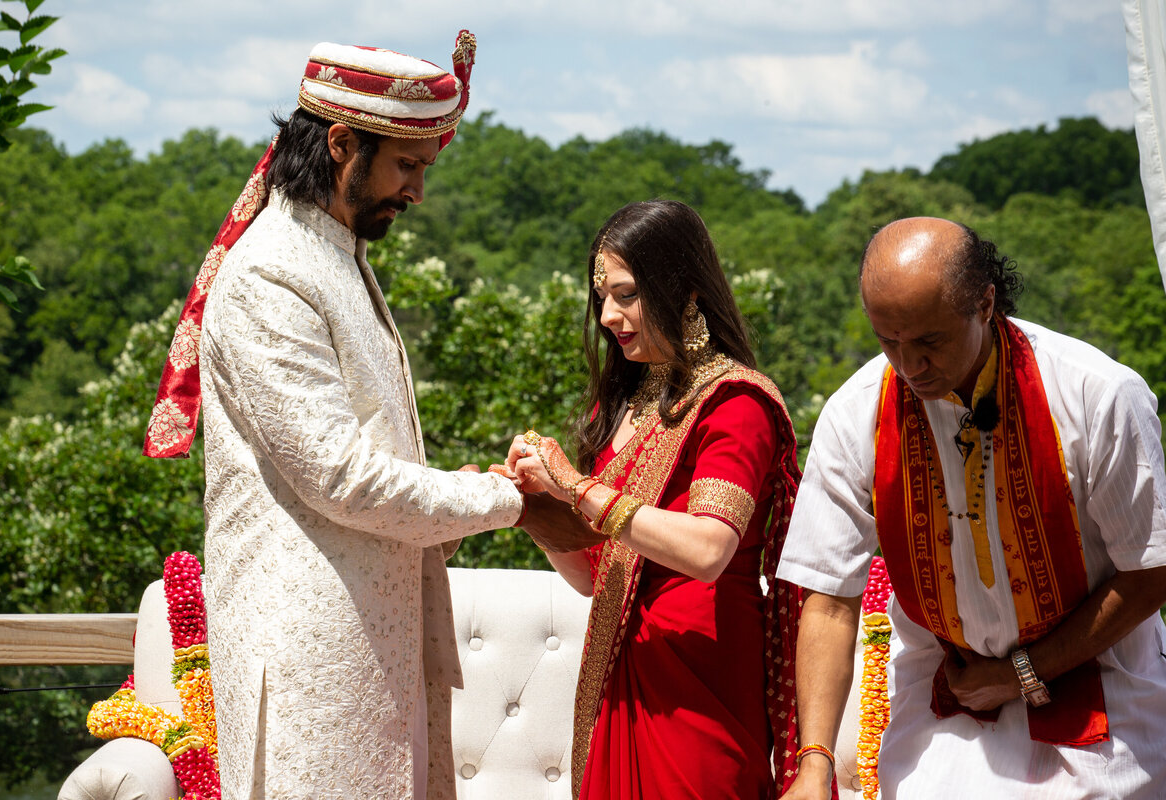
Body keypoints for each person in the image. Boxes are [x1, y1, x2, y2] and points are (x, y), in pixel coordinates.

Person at [142, 34, 526, 800]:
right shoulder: (272, 273)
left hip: (364, 654)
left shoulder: (333, 255)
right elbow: (339, 477)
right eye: (407, 165)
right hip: (306, 660)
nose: (417, 191)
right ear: (343, 144)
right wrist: (506, 497)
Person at [777, 217, 1166, 799]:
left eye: (929, 342)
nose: (908, 367)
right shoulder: (856, 411)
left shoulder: (1097, 393)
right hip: (942, 707)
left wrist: (1019, 675)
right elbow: (830, 598)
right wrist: (812, 768)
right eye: (888, 341)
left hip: (1103, 695)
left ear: (986, 303)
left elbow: (1151, 571)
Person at [500, 200, 803, 799]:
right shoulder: (625, 405)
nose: (610, 315)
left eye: (628, 294)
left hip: (701, 680)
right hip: (620, 668)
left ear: (685, 289)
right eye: (603, 298)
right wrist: (532, 509)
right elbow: (596, 576)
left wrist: (579, 487)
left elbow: (710, 548)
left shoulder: (735, 404)